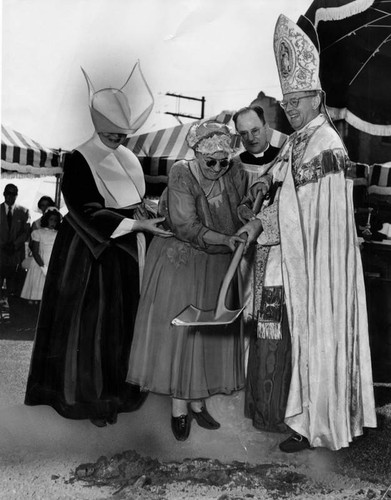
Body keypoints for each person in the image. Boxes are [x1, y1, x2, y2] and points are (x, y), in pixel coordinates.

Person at [236, 14, 376, 452]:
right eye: (287, 100)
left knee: (313, 338)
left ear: (317, 97)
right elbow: (284, 197)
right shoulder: (298, 142)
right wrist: (264, 197)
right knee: (285, 338)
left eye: (298, 99)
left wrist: (265, 222)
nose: (291, 107)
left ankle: (317, 422)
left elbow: (308, 216)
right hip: (291, 259)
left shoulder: (327, 148)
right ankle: (293, 418)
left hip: (317, 266)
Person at [25, 65, 172, 427]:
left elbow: (136, 199)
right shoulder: (77, 158)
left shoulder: (130, 156)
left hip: (123, 253)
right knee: (90, 327)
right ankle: (88, 400)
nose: (117, 139)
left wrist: (147, 217)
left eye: (122, 134)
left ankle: (119, 395)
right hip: (89, 254)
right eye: (110, 133)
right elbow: (86, 208)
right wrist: (136, 223)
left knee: (121, 326)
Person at [127, 120, 246, 441]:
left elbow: (242, 207)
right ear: (196, 154)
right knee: (182, 335)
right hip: (181, 262)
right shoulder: (182, 171)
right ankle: (179, 409)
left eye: (224, 161)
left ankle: (196, 402)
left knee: (205, 335)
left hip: (216, 262)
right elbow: (184, 224)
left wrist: (253, 205)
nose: (218, 168)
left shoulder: (233, 171)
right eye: (211, 161)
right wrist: (226, 238)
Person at [21, 207, 62, 303]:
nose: (53, 222)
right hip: (40, 261)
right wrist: (43, 267)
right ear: (46, 220)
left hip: (52, 260)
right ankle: (35, 300)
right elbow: (35, 252)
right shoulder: (38, 233)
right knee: (38, 283)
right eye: (51, 219)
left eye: (55, 220)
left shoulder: (58, 234)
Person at [0, 184, 30, 298]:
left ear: (17, 195)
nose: (10, 196)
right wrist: (3, 245)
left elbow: (26, 232)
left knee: (13, 285)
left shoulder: (24, 211)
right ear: (4, 193)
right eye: (8, 193)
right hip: (1, 253)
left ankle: (12, 309)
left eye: (13, 194)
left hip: (15, 254)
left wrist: (14, 245)